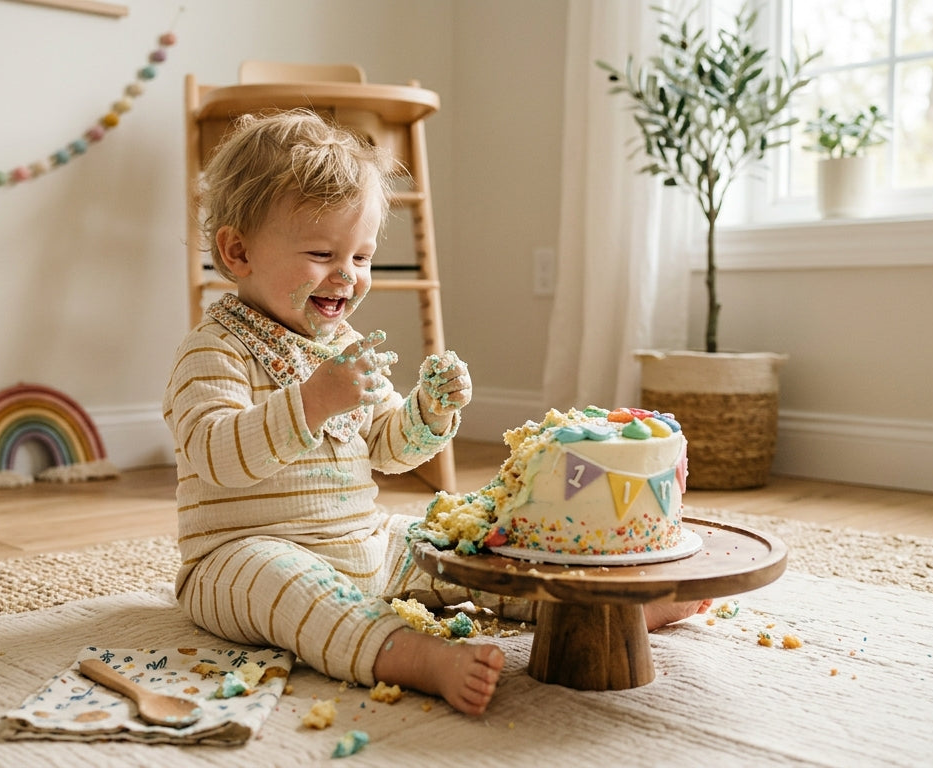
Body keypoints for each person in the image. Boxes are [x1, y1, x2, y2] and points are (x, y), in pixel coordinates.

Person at [164, 110, 707, 717]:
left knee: (455, 548)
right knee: (291, 587)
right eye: (321, 253)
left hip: (363, 545)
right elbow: (215, 456)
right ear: (237, 252)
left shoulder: (344, 347)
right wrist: (311, 403)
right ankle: (408, 655)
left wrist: (427, 410)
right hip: (240, 558)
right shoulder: (212, 351)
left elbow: (388, 449)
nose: (346, 276)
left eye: (363, 257)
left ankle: (589, 608)